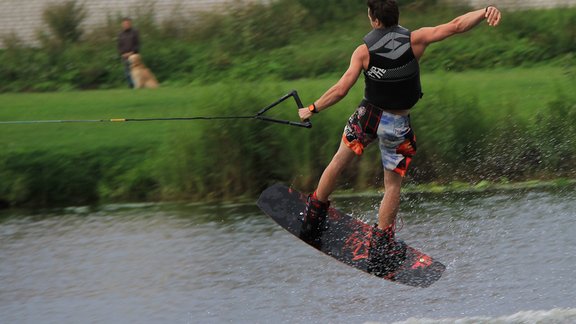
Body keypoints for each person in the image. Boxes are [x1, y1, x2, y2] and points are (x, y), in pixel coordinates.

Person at [298, 0, 501, 272]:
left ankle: (314, 213)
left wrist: (312, 109)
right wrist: (484, 10)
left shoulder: (363, 51)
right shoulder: (416, 39)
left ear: (374, 20)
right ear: (396, 17)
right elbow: (455, 26)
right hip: (397, 123)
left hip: (367, 116)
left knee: (338, 161)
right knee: (392, 186)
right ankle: (381, 244)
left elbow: (341, 89)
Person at [117, 17, 140, 88]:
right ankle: (130, 87)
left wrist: (132, 52)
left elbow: (137, 44)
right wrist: (122, 53)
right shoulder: (120, 34)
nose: (126, 25)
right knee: (127, 73)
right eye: (124, 24)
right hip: (125, 57)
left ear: (130, 24)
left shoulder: (135, 32)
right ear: (122, 24)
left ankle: (137, 86)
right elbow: (119, 46)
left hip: (134, 56)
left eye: (127, 23)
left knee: (136, 73)